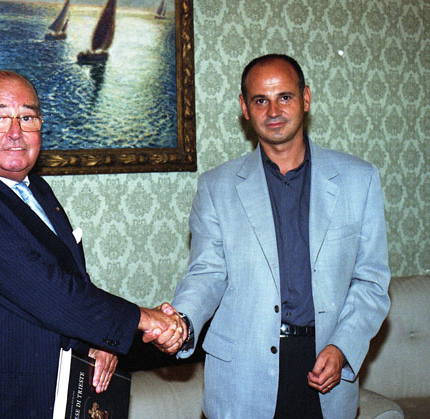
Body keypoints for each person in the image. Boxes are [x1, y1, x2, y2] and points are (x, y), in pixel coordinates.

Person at [0, 70, 184, 418]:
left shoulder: (37, 190)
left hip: (56, 396)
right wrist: (144, 319)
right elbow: (41, 288)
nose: (16, 132)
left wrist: (98, 341)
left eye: (27, 118)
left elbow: (71, 280)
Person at [159, 54, 391, 418]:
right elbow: (206, 273)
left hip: (326, 368)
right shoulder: (216, 187)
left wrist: (343, 347)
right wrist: (182, 323)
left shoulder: (359, 180)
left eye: (285, 97)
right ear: (244, 108)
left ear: (306, 99)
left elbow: (371, 282)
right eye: (260, 100)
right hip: (242, 377)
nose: (273, 111)